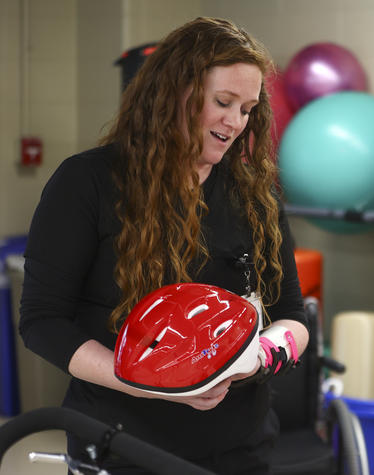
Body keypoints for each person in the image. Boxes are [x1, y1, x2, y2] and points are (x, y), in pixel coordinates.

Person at [18, 17, 308, 475]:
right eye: (223, 102)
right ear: (176, 92)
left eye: (248, 109)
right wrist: (148, 383)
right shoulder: (87, 183)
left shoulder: (254, 195)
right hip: (120, 445)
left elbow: (293, 315)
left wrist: (251, 361)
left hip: (238, 449)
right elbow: (42, 321)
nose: (235, 123)